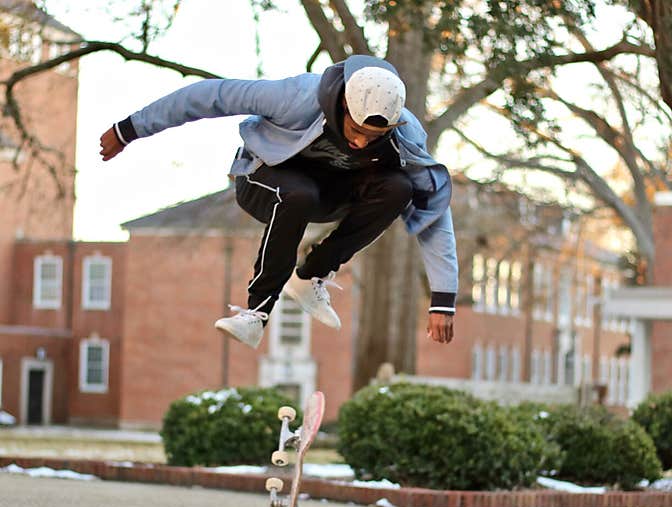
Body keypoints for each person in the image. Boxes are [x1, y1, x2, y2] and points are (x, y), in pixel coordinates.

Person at [99, 55, 457, 348]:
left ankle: (312, 274)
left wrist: (443, 297)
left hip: (328, 197)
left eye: (374, 137)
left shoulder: (406, 135)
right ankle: (256, 313)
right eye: (357, 131)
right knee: (297, 194)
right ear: (342, 104)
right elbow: (210, 96)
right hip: (262, 181)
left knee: (400, 188)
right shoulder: (296, 96)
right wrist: (129, 129)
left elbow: (434, 210)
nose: (362, 144)